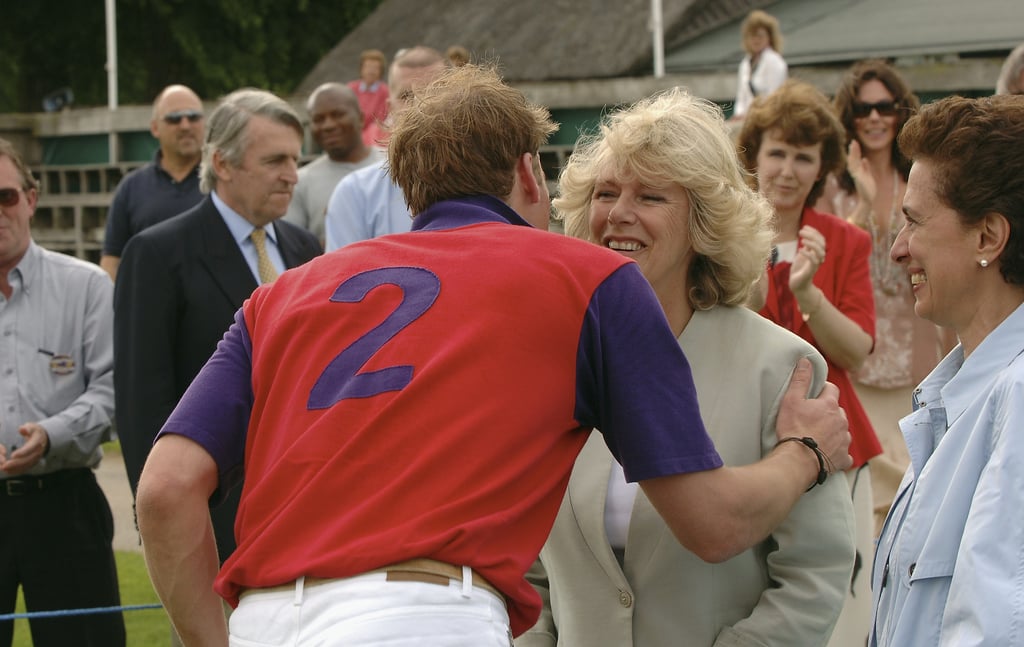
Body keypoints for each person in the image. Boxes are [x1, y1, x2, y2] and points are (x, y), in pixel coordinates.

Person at [135, 65, 851, 646]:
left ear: (409, 184)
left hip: (265, 616)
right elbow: (713, 524)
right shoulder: (587, 281)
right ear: (531, 175)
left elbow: (164, 490)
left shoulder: (282, 293)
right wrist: (805, 453)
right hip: (425, 616)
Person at [518, 89, 855, 647]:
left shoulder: (781, 367)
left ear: (703, 221)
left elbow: (815, 574)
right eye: (605, 193)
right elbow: (529, 570)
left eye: (650, 196)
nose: (619, 213)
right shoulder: (553, 362)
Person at [113, 89, 321, 570]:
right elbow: (143, 403)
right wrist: (167, 519)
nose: (292, 175)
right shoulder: (157, 254)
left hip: (307, 518)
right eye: (275, 161)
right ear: (222, 163)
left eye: (295, 158)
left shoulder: (306, 248)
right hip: (210, 525)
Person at [871, 94, 1024, 646]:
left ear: (988, 237)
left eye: (913, 222)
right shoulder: (968, 394)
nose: (897, 249)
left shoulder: (1018, 400)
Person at [737, 79, 881, 647]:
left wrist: (809, 294)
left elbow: (857, 352)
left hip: (837, 447)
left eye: (804, 156)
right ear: (754, 156)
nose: (788, 170)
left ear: (821, 167)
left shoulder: (846, 242)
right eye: (777, 152)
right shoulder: (723, 241)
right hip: (747, 447)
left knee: (843, 605)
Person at [818, 60, 951, 534]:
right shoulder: (832, 186)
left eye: (884, 107)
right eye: (862, 109)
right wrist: (859, 202)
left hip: (915, 348)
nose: (874, 118)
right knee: (868, 502)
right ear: (848, 117)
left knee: (919, 488)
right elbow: (828, 264)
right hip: (855, 358)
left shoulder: (919, 178)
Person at [0, 138, 124, 646]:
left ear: (31, 198)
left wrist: (51, 435)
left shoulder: (87, 287)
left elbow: (114, 388)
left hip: (65, 504)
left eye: (4, 196)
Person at [324, 46, 448, 251]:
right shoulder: (356, 195)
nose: (421, 106)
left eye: (434, 92)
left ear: (458, 102)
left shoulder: (493, 185)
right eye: (407, 96)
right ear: (390, 108)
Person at [100, 84, 205, 281]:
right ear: (155, 128)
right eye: (174, 118)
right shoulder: (131, 187)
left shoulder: (224, 183)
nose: (185, 125)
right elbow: (112, 260)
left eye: (193, 117)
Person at [283, 82, 383, 246]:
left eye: (338, 115)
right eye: (318, 119)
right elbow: (293, 247)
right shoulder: (299, 182)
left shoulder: (396, 164)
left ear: (360, 118)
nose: (328, 125)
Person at [730, 9, 787, 121]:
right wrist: (740, 114)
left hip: (768, 119)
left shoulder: (774, 62)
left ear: (769, 38)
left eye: (760, 36)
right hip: (747, 120)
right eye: (752, 36)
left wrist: (756, 115)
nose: (756, 40)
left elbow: (774, 97)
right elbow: (742, 96)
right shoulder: (745, 64)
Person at [348, 49, 390, 147]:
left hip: (373, 138)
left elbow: (380, 119)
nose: (371, 71)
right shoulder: (350, 88)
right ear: (361, 69)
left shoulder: (385, 92)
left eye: (375, 68)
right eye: (368, 67)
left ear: (381, 71)